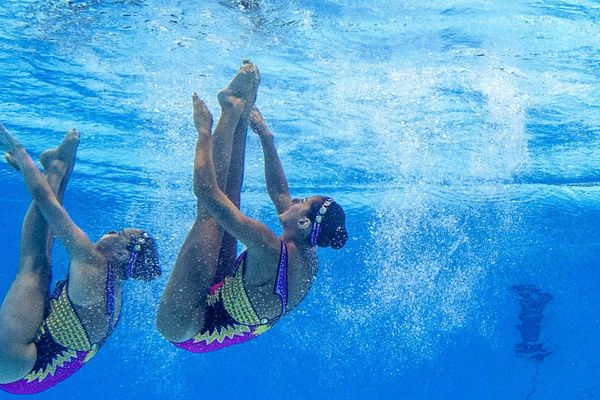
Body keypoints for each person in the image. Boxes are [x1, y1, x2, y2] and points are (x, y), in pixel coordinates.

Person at [156, 60, 348, 353]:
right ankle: (240, 113)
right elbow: (279, 192)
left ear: (304, 223)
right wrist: (265, 136)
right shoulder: (307, 250)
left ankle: (230, 110)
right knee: (227, 205)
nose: (295, 200)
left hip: (184, 326)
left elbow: (205, 192)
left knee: (211, 216)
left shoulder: (270, 247)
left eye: (303, 202)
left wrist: (204, 133)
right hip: (222, 299)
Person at [0, 125, 160, 394]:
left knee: (33, 270)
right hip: (28, 376)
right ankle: (56, 166)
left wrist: (17, 148)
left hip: (13, 362)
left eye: (118, 233)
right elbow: (48, 210)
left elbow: (46, 202)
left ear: (122, 253)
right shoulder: (115, 287)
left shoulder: (94, 262)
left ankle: (56, 167)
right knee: (36, 267)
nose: (110, 232)